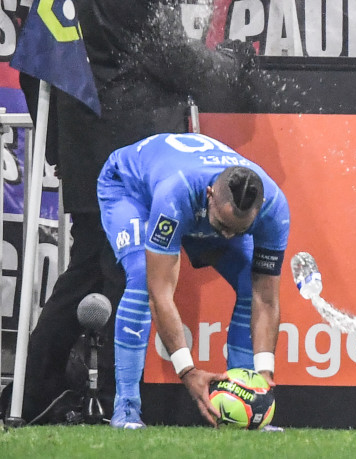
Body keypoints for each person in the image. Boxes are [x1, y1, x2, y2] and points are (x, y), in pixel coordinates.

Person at [9, 0, 259, 424]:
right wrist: (231, 64)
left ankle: (32, 395)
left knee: (88, 270)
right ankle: (104, 397)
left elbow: (32, 68)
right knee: (125, 277)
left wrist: (59, 146)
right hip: (130, 158)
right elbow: (175, 61)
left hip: (91, 151)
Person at [96, 132, 289, 429]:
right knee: (140, 275)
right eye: (224, 226)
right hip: (132, 190)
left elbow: (266, 298)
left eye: (240, 231)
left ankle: (245, 396)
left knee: (251, 282)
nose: (228, 237)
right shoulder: (177, 193)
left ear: (258, 210)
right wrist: (187, 371)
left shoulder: (274, 208)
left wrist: (264, 373)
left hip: (192, 205)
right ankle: (126, 408)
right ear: (211, 194)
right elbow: (159, 293)